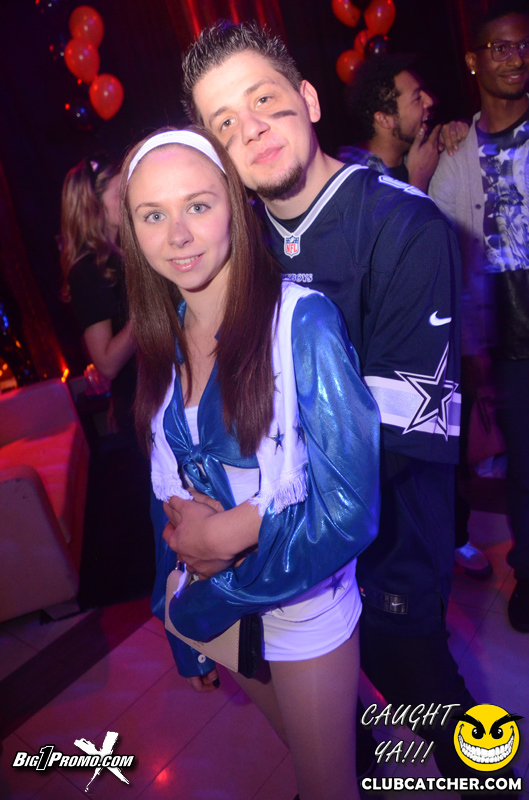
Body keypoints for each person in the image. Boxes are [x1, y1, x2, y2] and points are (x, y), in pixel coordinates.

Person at [177, 21, 509, 793]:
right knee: (315, 709)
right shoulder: (237, 248)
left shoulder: (401, 225)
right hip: (282, 557)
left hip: (387, 547)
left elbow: (395, 438)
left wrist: (240, 527)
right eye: (224, 121)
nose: (250, 127)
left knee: (431, 708)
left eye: (264, 99)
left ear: (309, 99)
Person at [121, 126, 380, 800]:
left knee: (327, 785)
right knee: (305, 752)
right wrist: (178, 621)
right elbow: (165, 496)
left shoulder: (301, 323)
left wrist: (223, 551)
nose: (178, 235)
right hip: (213, 604)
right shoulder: (163, 337)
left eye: (197, 205)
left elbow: (350, 514)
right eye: (153, 215)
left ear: (235, 205)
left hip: (301, 598)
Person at [341, 53, 492, 580]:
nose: (429, 102)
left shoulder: (425, 153)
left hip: (437, 340)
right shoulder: (353, 176)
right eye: (415, 97)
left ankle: (454, 535)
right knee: (403, 471)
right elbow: (378, 265)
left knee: (442, 455)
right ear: (385, 117)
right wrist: (416, 180)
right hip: (384, 358)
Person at [429, 0, 529, 633]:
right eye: (501, 47)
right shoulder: (457, 152)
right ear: (473, 60)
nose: (516, 58)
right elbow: (444, 252)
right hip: (508, 333)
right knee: (524, 466)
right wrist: (469, 348)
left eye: (524, 45)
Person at [60, 154, 136, 439]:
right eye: (119, 193)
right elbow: (106, 363)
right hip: (141, 407)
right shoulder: (88, 270)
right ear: (94, 206)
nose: (128, 199)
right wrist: (150, 310)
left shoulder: (124, 250)